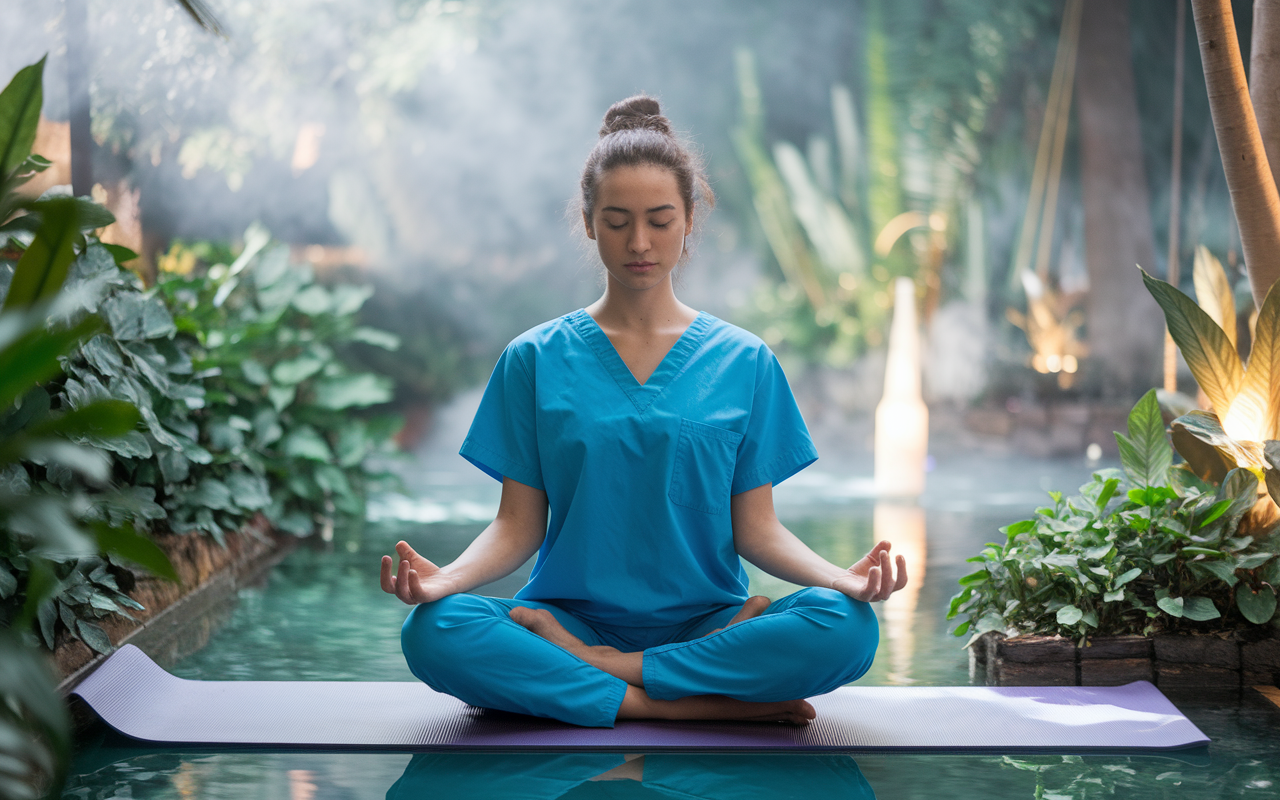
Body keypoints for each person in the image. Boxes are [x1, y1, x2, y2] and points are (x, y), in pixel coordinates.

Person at [380, 95, 907, 729]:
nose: (639, 242)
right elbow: (516, 527)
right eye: (617, 220)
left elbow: (757, 530)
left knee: (845, 627)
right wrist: (446, 582)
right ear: (588, 222)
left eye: (660, 220)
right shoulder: (533, 359)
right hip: (567, 614)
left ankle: (602, 674)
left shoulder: (745, 361)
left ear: (690, 220)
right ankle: (695, 706)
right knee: (435, 630)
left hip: (706, 621)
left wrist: (840, 580)